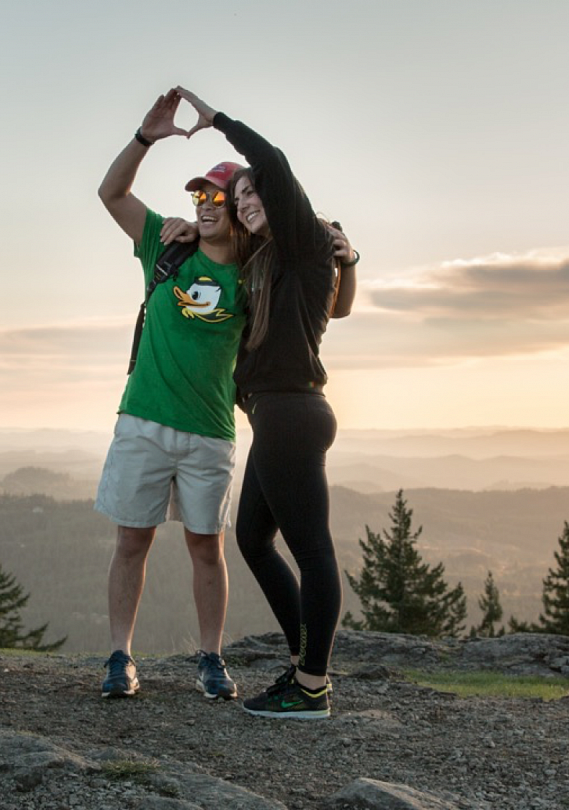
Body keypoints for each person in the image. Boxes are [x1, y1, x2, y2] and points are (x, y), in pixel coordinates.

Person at [174, 86, 358, 719]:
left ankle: (311, 686)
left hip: (292, 412)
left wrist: (217, 122)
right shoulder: (268, 260)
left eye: (253, 194)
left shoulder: (305, 241)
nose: (246, 202)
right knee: (253, 537)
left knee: (311, 550)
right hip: (274, 415)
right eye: (239, 197)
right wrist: (182, 228)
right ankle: (304, 663)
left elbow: (273, 164)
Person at [93, 90, 247, 701]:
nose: (205, 205)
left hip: (210, 430)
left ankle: (210, 658)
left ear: (240, 209)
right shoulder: (166, 245)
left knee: (206, 548)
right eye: (200, 196)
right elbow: (112, 195)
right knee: (132, 539)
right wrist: (145, 137)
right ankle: (118, 658)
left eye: (217, 197)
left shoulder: (254, 272)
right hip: (144, 421)